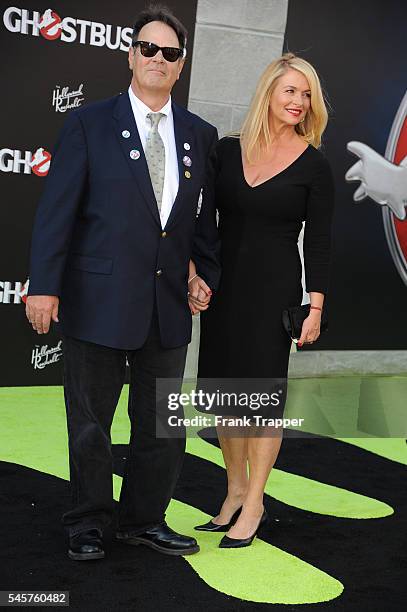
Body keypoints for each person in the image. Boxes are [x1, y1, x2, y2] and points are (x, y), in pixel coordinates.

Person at [25, 5, 220, 560]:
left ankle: (144, 520)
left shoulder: (200, 136)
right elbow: (57, 212)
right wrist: (44, 284)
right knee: (90, 423)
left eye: (171, 53)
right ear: (132, 55)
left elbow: (201, 221)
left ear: (180, 65)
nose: (159, 59)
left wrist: (201, 272)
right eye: (149, 49)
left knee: (160, 424)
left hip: (166, 308)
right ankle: (87, 521)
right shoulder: (88, 123)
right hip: (98, 299)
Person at [188, 52, 335, 548]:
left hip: (274, 295)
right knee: (228, 399)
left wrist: (314, 306)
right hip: (225, 290)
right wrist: (198, 272)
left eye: (307, 93)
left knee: (262, 404)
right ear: (269, 92)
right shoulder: (227, 151)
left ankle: (255, 502)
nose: (299, 101)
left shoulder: (315, 166)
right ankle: (232, 493)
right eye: (291, 90)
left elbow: (318, 241)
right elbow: (202, 219)